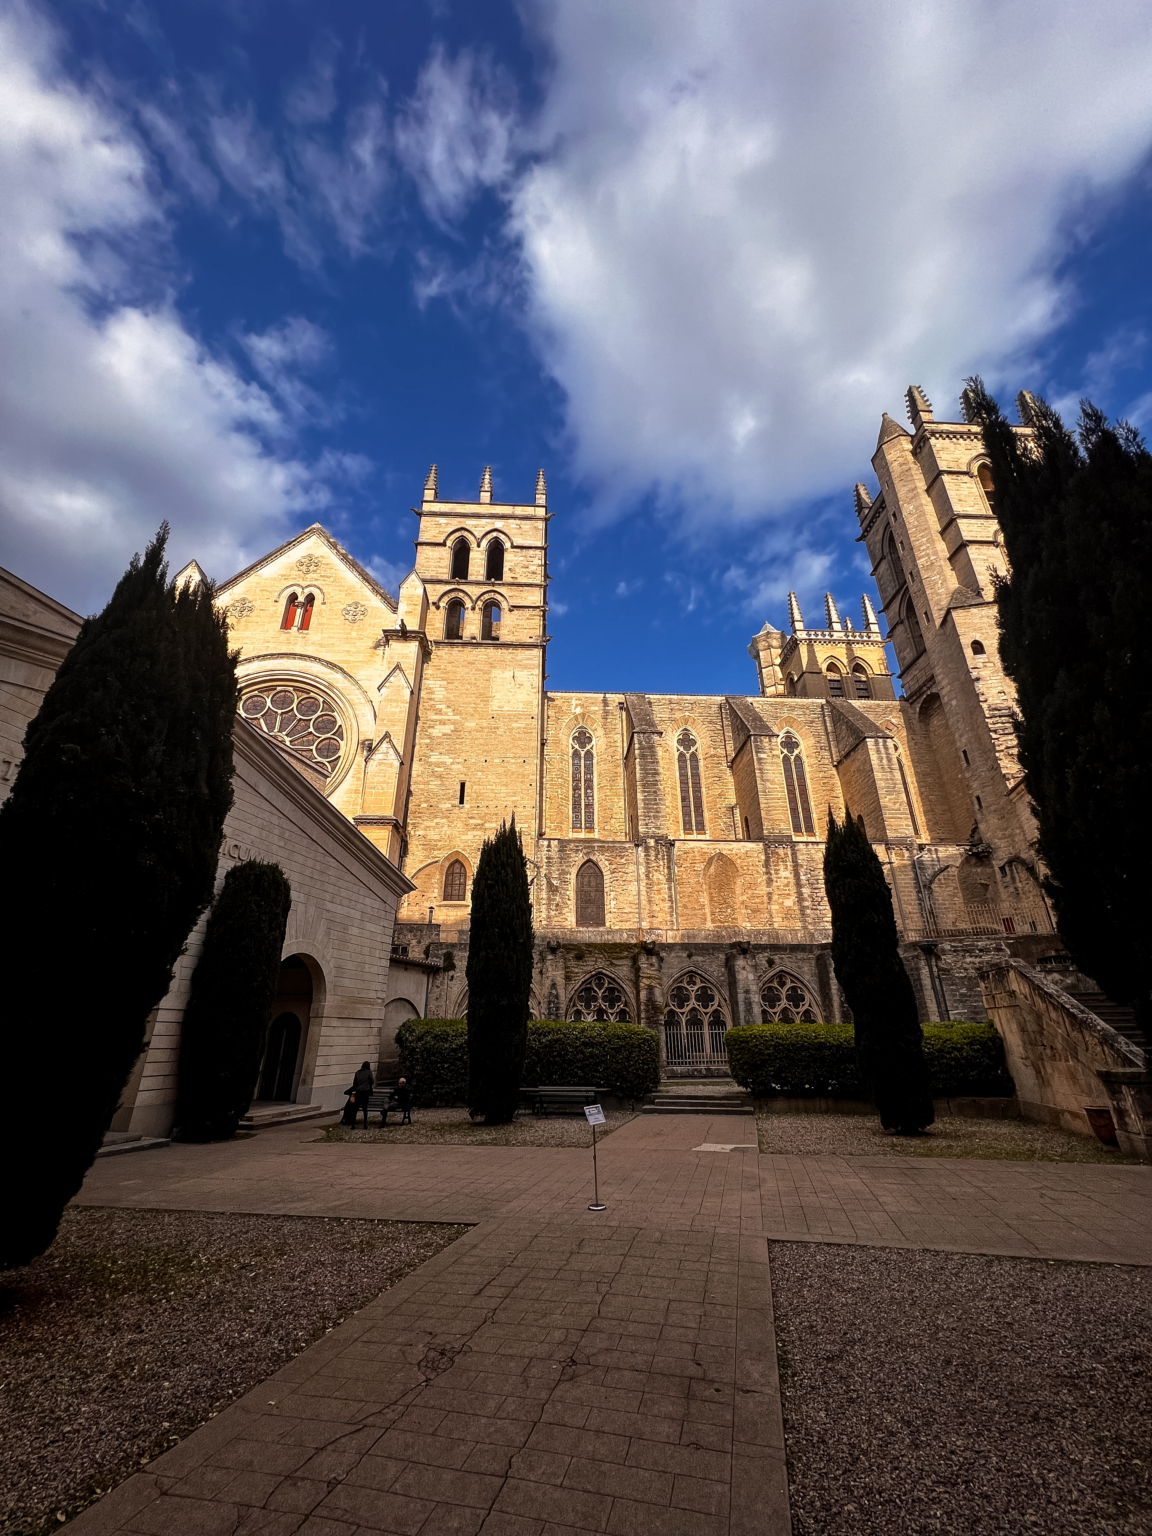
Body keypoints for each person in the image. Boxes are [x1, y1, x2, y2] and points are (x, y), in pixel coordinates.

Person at [352, 1061, 374, 1129]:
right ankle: (365, 1124)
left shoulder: (357, 1073)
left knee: (355, 1109)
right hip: (365, 1092)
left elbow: (354, 1083)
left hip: (358, 1092)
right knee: (365, 1108)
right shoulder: (368, 1072)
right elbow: (372, 1082)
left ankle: (353, 1125)